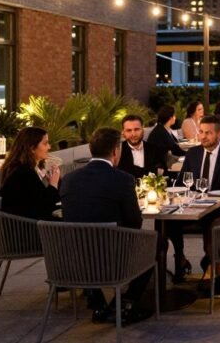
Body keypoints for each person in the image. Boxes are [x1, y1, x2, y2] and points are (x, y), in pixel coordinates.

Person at [60, 127, 151, 324]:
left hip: (72, 258)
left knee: (87, 242)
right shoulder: (123, 180)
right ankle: (126, 303)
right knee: (155, 243)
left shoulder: (68, 179)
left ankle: (99, 303)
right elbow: (135, 223)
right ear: (115, 151)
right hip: (112, 259)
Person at [171, 115, 220, 297]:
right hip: (192, 206)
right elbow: (181, 183)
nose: (203, 136)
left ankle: (216, 268)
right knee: (166, 222)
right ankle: (180, 259)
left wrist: (209, 199)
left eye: (208, 133)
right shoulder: (193, 154)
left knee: (213, 225)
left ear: (219, 134)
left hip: (219, 207)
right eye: (201, 132)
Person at [0, 127, 61, 221]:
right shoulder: (24, 173)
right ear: (32, 148)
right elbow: (45, 207)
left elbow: (34, 200)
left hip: (14, 225)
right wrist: (53, 184)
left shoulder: (16, 167)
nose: (49, 147)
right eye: (45, 143)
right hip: (27, 227)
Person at [119, 114, 169, 178]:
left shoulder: (155, 149)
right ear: (123, 132)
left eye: (136, 129)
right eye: (129, 130)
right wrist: (152, 172)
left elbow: (164, 173)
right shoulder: (118, 151)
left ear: (143, 130)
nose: (133, 134)